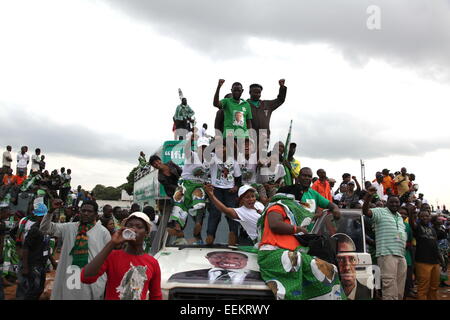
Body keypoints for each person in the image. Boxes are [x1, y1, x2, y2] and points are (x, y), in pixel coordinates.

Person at [256, 188, 345, 300]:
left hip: (288, 252)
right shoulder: (278, 206)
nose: (298, 204)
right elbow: (274, 224)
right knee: (319, 268)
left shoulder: (288, 211)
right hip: (275, 252)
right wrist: (297, 229)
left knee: (330, 270)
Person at [39, 199, 111, 300]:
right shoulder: (69, 227)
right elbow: (45, 229)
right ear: (79, 212)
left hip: (91, 279)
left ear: (96, 214)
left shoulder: (103, 232)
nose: (86, 213)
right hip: (70, 275)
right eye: (83, 210)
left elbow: (107, 258)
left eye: (89, 211)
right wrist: (51, 211)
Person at [81, 212, 162, 300]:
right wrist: (112, 243)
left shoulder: (152, 262)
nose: (134, 229)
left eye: (139, 227)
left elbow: (156, 296)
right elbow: (86, 277)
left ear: (146, 233)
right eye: (130, 226)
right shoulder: (112, 256)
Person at [362, 187, 407, 300]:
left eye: (397, 202)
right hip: (387, 255)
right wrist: (368, 196)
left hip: (401, 255)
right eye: (392, 202)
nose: (395, 204)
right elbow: (366, 211)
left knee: (400, 288)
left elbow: (400, 235)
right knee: (389, 288)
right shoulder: (380, 211)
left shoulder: (400, 217)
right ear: (386, 203)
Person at [167, 140, 209, 244]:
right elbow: (186, 151)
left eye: (205, 147)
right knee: (179, 201)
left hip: (199, 185)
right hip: (186, 184)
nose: (203, 149)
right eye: (201, 147)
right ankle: (178, 228)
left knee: (200, 202)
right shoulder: (193, 156)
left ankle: (198, 226)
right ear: (198, 148)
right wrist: (191, 139)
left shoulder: (210, 159)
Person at [206, 141, 242, 246]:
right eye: (219, 148)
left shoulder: (233, 162)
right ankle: (210, 237)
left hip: (229, 191)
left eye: (224, 147)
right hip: (215, 189)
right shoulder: (213, 159)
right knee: (214, 212)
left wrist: (236, 187)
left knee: (232, 213)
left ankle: (233, 238)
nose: (221, 149)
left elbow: (238, 178)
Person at [18, 203, 57, 300]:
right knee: (33, 289)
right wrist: (25, 267)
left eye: (44, 216)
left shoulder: (47, 229)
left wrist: (52, 261)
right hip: (34, 264)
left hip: (41, 264)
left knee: (39, 289)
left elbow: (46, 246)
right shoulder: (34, 230)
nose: (42, 218)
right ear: (36, 216)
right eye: (40, 216)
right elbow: (26, 248)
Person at [168, 251, 261, 285]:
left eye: (236, 258)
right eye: (219, 257)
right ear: (208, 259)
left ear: (246, 261)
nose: (228, 261)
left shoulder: (265, 279)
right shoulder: (179, 277)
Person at [408, 209, 441, 300]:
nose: (424, 218)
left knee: (434, 287)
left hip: (435, 262)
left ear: (430, 217)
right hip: (422, 262)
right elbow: (412, 224)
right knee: (423, 287)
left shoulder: (433, 230)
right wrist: (411, 214)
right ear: (418, 218)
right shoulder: (417, 227)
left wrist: (440, 259)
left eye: (426, 216)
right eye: (422, 216)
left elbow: (435, 245)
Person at [247, 80, 287, 149]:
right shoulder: (245, 104)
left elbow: (280, 100)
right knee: (250, 157)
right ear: (250, 92)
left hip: (264, 136)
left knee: (262, 157)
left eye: (259, 92)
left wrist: (282, 87)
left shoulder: (267, 104)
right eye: (255, 92)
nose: (257, 94)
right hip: (250, 136)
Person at [334, 233, 371, 300]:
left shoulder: (368, 292)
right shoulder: (328, 292)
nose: (347, 268)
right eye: (340, 259)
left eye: (352, 259)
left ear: (357, 261)